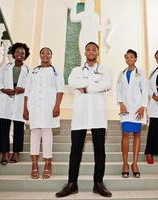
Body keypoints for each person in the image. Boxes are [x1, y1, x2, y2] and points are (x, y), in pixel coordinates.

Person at [55, 42, 112, 198]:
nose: (91, 51)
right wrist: (95, 85)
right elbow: (72, 82)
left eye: (94, 49)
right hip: (80, 116)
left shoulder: (105, 71)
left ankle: (98, 183)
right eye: (88, 49)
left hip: (97, 115)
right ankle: (72, 184)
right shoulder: (76, 70)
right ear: (85, 52)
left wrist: (86, 88)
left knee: (100, 150)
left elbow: (106, 83)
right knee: (75, 151)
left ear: (98, 52)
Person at [23, 47, 64, 179]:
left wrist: (57, 106)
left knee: (47, 134)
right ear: (40, 55)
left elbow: (60, 90)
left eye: (48, 53)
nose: (45, 55)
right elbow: (27, 91)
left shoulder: (56, 71)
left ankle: (47, 164)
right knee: (34, 134)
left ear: (51, 55)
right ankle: (34, 165)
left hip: (49, 106)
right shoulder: (33, 71)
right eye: (43, 53)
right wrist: (25, 108)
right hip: (33, 106)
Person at [0, 42, 30, 165]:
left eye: (23, 53)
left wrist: (23, 89)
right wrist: (5, 90)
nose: (20, 54)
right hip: (6, 99)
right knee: (4, 128)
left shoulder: (28, 70)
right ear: (14, 54)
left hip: (20, 101)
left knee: (19, 128)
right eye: (18, 52)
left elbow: (32, 86)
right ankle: (5, 153)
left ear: (25, 56)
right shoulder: (6, 67)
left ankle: (16, 153)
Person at [116, 49, 148, 178]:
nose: (129, 59)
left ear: (135, 59)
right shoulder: (121, 73)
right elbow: (118, 89)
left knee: (137, 135)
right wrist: (121, 104)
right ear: (125, 59)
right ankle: (125, 164)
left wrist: (143, 106)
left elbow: (145, 90)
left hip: (137, 109)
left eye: (131, 57)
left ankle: (134, 164)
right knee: (125, 134)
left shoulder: (141, 73)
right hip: (125, 109)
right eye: (127, 57)